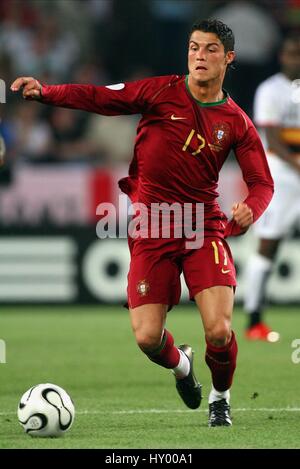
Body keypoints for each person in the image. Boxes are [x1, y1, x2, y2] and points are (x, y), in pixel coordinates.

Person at [11, 19, 274, 427]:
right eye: (193, 47)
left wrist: (251, 210)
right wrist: (46, 93)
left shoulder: (236, 121)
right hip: (152, 227)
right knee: (148, 338)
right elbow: (99, 97)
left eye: (209, 49)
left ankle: (220, 398)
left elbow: (262, 183)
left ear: (229, 58)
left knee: (219, 331)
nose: (199, 56)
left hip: (203, 227)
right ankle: (182, 367)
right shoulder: (160, 91)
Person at [244, 33, 300, 341]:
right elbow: (274, 139)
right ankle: (254, 319)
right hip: (282, 176)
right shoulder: (270, 90)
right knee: (269, 244)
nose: (296, 59)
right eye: (292, 53)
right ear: (282, 56)